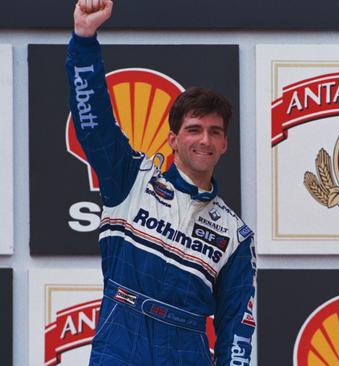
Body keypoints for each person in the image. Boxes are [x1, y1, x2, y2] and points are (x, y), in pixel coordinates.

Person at [66, 1, 256, 365]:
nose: (204, 140)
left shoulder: (235, 234)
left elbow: (237, 329)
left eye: (214, 132)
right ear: (172, 139)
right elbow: (93, 123)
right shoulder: (130, 178)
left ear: (225, 144)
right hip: (121, 334)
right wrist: (84, 40)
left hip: (188, 347)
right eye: (194, 130)